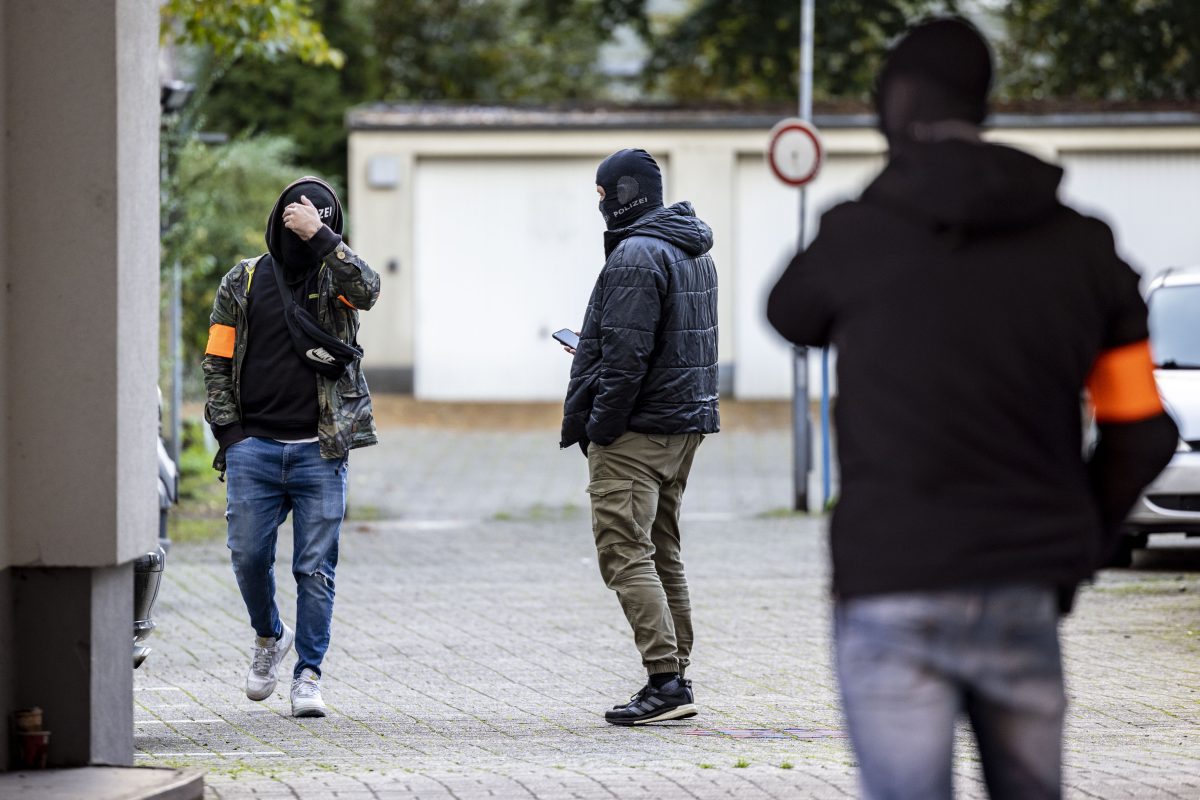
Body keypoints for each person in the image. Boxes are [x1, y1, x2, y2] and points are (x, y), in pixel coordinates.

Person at [767, 18, 1177, 800]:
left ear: (896, 108)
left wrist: (885, 195)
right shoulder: (1083, 248)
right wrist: (1080, 538)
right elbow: (1142, 428)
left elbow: (791, 312)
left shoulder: (860, 235)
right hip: (1022, 580)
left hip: (891, 579)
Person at [202, 177, 381, 717]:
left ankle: (308, 673)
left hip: (320, 451)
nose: (303, 236)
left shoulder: (336, 277)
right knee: (249, 557)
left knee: (314, 568)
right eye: (297, 223)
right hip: (252, 449)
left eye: (318, 224)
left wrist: (322, 237)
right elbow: (217, 360)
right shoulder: (244, 279)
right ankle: (268, 636)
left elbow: (369, 290)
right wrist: (231, 436)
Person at [561, 148, 720, 725]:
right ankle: (676, 672)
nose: (599, 203)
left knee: (625, 554)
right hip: (682, 426)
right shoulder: (689, 247)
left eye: (602, 194)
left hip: (637, 432)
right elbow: (668, 341)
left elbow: (629, 360)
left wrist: (601, 426)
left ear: (620, 194)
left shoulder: (635, 254)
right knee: (663, 553)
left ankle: (665, 681)